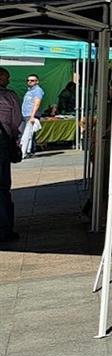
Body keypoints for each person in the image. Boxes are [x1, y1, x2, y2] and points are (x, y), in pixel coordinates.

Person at [0, 68, 20, 244]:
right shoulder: (9, 96)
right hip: (2, 142)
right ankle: (5, 229)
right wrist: (13, 137)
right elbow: (16, 121)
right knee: (2, 187)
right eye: (6, 77)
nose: (8, 80)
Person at [18, 73, 43, 158]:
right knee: (25, 134)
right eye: (28, 80)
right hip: (25, 115)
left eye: (32, 80)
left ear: (37, 81)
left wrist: (32, 116)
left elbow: (37, 103)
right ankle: (26, 151)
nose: (29, 82)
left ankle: (30, 152)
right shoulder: (30, 90)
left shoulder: (37, 90)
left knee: (29, 134)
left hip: (30, 115)